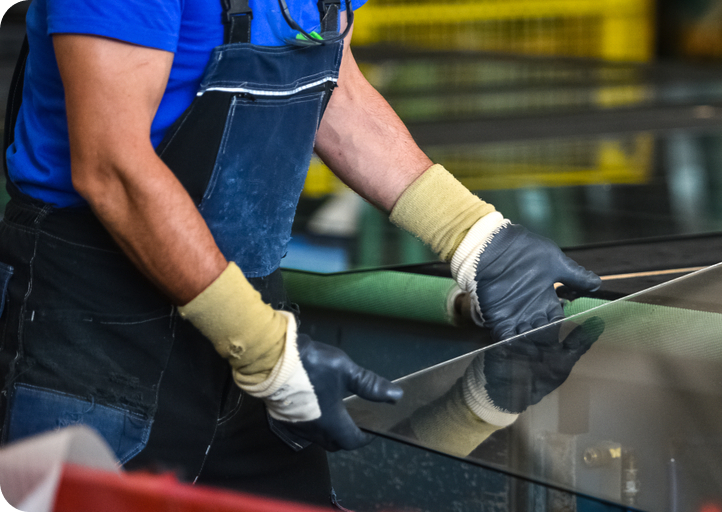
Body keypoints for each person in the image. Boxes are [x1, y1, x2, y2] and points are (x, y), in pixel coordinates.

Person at [0, 0, 602, 507]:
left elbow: (336, 87)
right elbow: (111, 165)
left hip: (247, 323)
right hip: (96, 337)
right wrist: (262, 348)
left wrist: (475, 235)